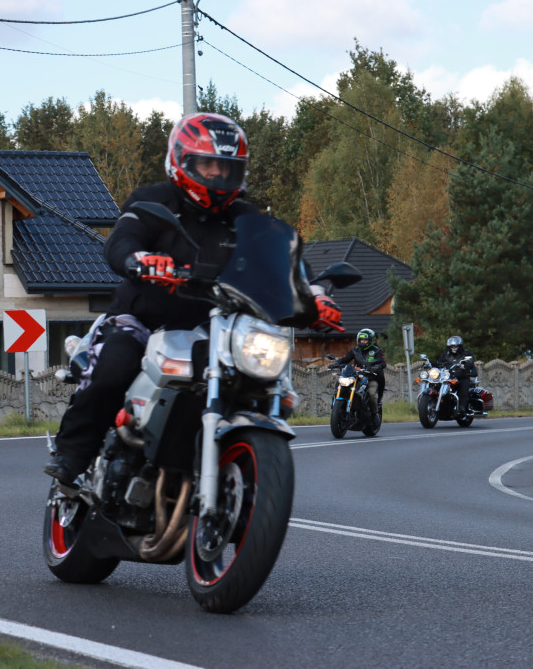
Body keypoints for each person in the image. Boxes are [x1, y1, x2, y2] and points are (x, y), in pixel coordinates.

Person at [44, 112, 341, 482]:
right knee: (114, 369)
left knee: (263, 386)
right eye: (207, 163)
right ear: (181, 160)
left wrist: (315, 296)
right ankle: (72, 456)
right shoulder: (153, 200)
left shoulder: (244, 217)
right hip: (143, 321)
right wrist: (138, 259)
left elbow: (287, 263)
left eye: (227, 166)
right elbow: (123, 239)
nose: (217, 173)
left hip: (215, 330)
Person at [332, 328, 386, 421]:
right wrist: (336, 363)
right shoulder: (354, 350)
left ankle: (374, 415)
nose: (363, 342)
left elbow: (382, 362)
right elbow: (345, 359)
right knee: (339, 384)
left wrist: (376, 367)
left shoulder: (377, 351)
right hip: (356, 376)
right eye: (361, 340)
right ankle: (336, 407)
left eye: (366, 340)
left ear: (371, 340)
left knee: (372, 394)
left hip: (370, 378)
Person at [435, 335, 476, 414]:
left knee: (463, 386)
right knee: (436, 384)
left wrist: (464, 364)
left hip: (462, 376)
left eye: (455, 346)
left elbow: (470, 362)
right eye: (451, 346)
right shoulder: (446, 354)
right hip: (448, 377)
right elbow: (439, 362)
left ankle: (462, 407)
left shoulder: (466, 353)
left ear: (459, 346)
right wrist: (429, 364)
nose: (453, 348)